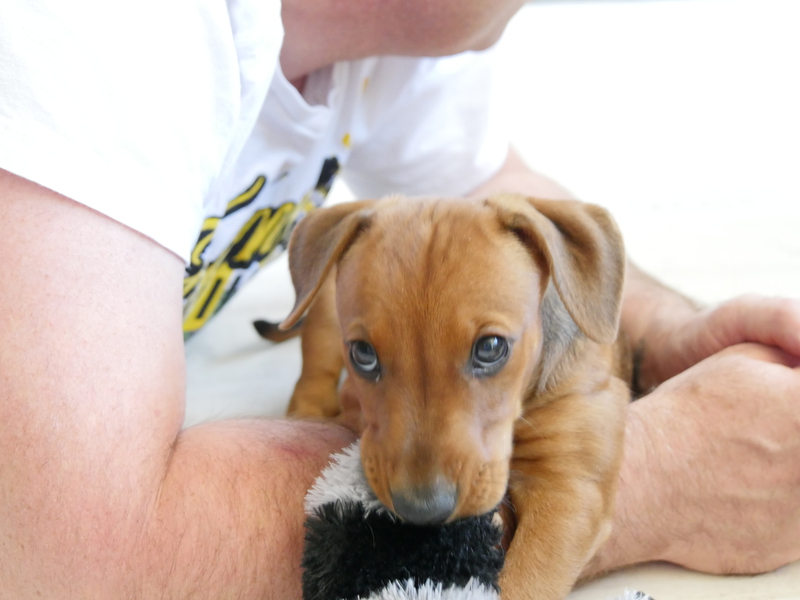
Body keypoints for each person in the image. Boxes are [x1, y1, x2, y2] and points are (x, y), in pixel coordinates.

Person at [0, 0, 798, 597]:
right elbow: (70, 551)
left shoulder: (394, 42)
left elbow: (486, 195)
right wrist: (648, 474)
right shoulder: (95, 30)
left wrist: (662, 336)